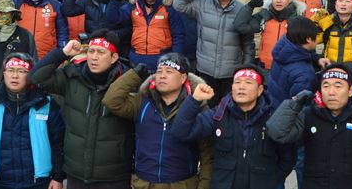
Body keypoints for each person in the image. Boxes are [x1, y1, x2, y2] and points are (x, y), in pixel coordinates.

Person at [29, 30, 134, 189]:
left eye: (101, 52)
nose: (94, 57)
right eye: (91, 51)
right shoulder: (72, 76)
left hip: (114, 176)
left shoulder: (127, 83)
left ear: (114, 57)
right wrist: (62, 53)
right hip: (76, 173)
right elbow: (36, 77)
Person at [265, 64, 352, 189]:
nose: (331, 92)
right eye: (326, 86)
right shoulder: (307, 115)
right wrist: (294, 103)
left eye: (338, 86)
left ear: (350, 90)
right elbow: (277, 133)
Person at [170, 65, 296, 189]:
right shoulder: (218, 114)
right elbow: (180, 131)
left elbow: (288, 158)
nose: (241, 86)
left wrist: (270, 180)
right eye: (237, 82)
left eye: (248, 82)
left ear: (260, 90)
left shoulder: (273, 118)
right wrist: (194, 100)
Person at [102, 53, 213, 189]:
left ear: (183, 77)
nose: (162, 75)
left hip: (182, 183)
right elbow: (111, 101)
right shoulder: (142, 103)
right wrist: (134, 75)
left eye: (169, 72)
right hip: (144, 182)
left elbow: (207, 156)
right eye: (159, 71)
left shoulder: (196, 108)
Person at [0, 53, 65, 189]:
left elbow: (58, 143)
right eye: (10, 70)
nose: (15, 76)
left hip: (38, 181)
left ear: (31, 75)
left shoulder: (45, 103)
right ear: (3, 73)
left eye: (22, 71)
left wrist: (57, 177)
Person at [174, 0, 255, 105]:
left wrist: (245, 68)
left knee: (227, 108)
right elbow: (178, 4)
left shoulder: (242, 10)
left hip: (231, 71)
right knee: (207, 108)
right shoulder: (202, 4)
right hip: (206, 69)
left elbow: (248, 43)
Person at [106, 0, 179, 70]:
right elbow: (113, 19)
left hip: (161, 58)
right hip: (136, 57)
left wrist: (176, 59)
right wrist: (114, 1)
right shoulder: (133, 7)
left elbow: (178, 35)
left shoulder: (168, 7)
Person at [233, 0, 305, 70]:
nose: (278, 0)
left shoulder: (298, 19)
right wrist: (249, 6)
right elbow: (240, 26)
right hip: (265, 68)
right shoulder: (264, 16)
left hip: (289, 69)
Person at [266, 16, 324, 108]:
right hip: (286, 117)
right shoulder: (304, 75)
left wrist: (317, 59)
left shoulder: (282, 51)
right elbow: (298, 108)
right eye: (316, 36)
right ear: (308, 39)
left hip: (273, 106)